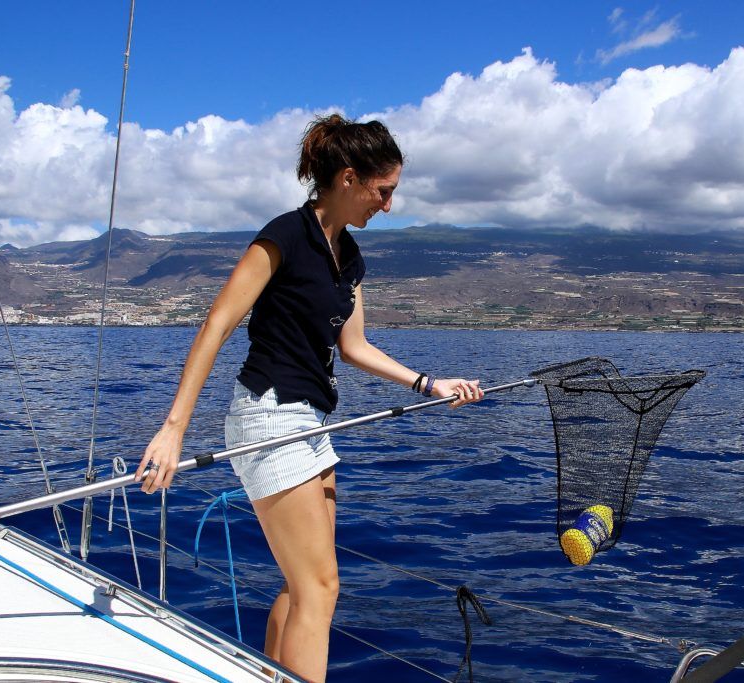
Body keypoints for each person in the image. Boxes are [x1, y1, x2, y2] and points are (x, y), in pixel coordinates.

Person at [136, 113, 483, 682]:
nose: (389, 206)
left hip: (312, 420)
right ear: (349, 178)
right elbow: (217, 325)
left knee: (304, 588)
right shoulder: (284, 237)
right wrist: (174, 428)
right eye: (384, 191)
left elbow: (354, 345)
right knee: (320, 587)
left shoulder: (348, 258)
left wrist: (428, 383)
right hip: (269, 416)